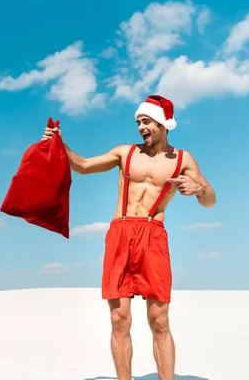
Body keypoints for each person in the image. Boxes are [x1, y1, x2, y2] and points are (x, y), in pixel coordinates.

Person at [40, 94, 216, 380]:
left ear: (162, 123)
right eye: (138, 121)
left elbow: (210, 200)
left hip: (153, 234)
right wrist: (58, 143)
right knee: (119, 319)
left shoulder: (184, 159)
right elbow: (83, 165)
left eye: (146, 121)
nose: (140, 127)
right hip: (121, 231)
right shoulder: (126, 153)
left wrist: (198, 189)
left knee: (158, 320)